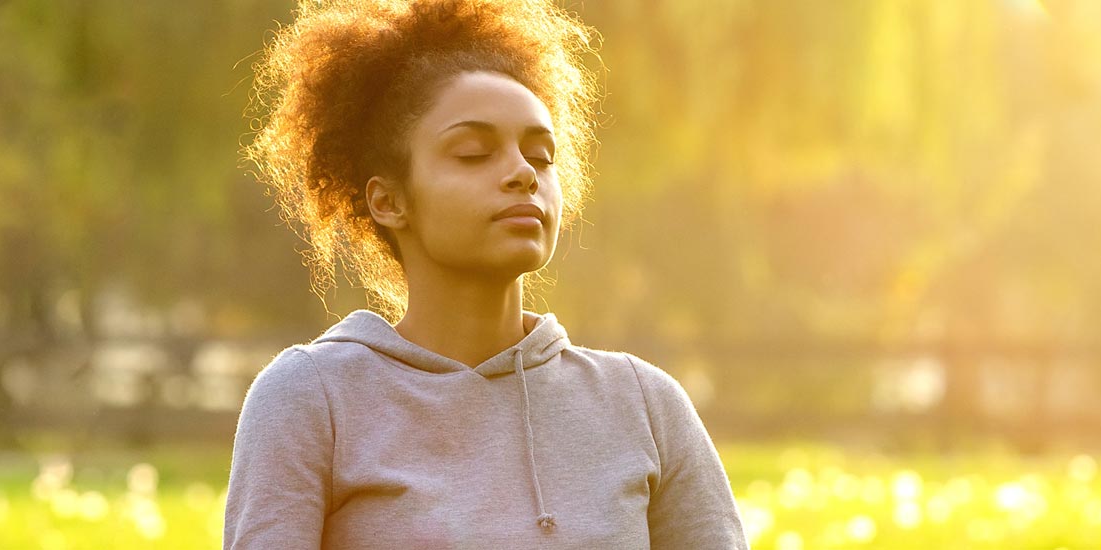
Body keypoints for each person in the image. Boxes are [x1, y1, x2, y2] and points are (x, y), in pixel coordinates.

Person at [224, 0, 746, 547]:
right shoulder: (313, 398)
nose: (522, 173)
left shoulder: (644, 403)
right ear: (389, 201)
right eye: (473, 152)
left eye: (541, 156)